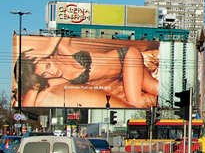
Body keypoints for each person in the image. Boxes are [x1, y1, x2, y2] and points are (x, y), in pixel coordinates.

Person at [16, 37, 159, 108]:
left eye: (48, 65)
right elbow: (28, 105)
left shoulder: (63, 51)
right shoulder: (56, 81)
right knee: (154, 89)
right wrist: (33, 81)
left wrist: (45, 50)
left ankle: (175, 106)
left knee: (136, 101)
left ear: (48, 57)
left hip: (127, 57)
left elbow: (61, 31)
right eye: (46, 74)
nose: (53, 71)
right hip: (125, 75)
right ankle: (176, 107)